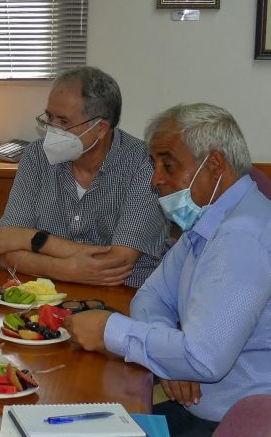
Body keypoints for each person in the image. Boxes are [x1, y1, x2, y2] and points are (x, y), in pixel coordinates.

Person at [65, 103, 271, 436]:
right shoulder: (208, 218)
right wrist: (170, 358)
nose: (156, 179)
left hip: (234, 424)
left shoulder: (241, 237)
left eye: (168, 165)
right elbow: (150, 296)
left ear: (214, 164)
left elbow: (202, 358)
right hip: (197, 409)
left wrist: (109, 330)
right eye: (155, 165)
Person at [0, 66, 167, 288]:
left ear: (100, 128)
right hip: (48, 294)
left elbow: (118, 262)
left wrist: (32, 239)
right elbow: (3, 250)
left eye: (63, 122)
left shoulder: (144, 163)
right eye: (49, 117)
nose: (52, 129)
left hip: (124, 296)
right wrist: (63, 269)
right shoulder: (37, 155)